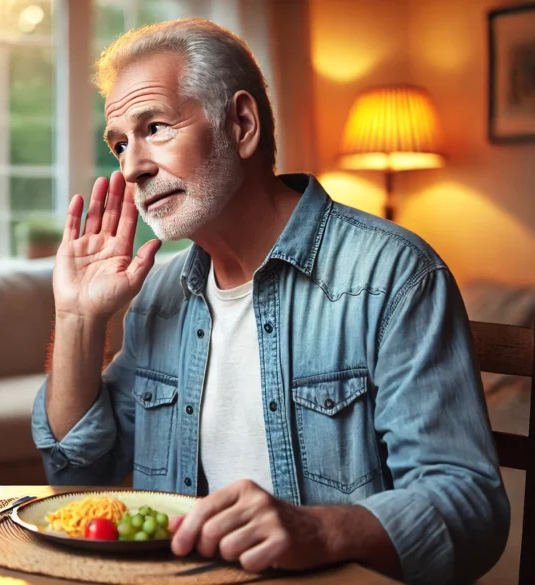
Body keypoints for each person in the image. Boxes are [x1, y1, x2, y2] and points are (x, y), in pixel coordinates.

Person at [32, 18, 508, 584]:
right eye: (119, 144)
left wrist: (321, 532)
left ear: (242, 123)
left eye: (154, 127)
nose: (131, 166)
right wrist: (78, 318)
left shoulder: (392, 274)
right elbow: (81, 480)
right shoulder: (159, 294)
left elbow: (470, 506)